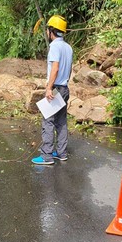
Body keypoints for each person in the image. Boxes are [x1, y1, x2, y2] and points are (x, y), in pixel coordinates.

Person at [32, 15, 73, 165]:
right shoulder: (68, 48)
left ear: (51, 31)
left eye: (48, 29)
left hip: (55, 88)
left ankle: (46, 156)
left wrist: (49, 88)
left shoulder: (55, 47)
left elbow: (54, 68)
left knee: (48, 121)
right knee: (61, 121)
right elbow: (68, 70)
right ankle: (61, 153)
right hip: (65, 88)